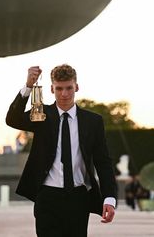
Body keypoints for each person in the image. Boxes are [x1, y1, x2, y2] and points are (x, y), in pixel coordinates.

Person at [6, 65, 117, 237]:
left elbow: (103, 162)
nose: (64, 94)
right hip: (47, 197)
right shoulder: (41, 115)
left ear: (76, 87)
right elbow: (12, 119)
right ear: (51, 89)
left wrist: (109, 197)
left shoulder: (93, 121)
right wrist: (28, 86)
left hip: (79, 198)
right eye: (59, 88)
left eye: (69, 88)